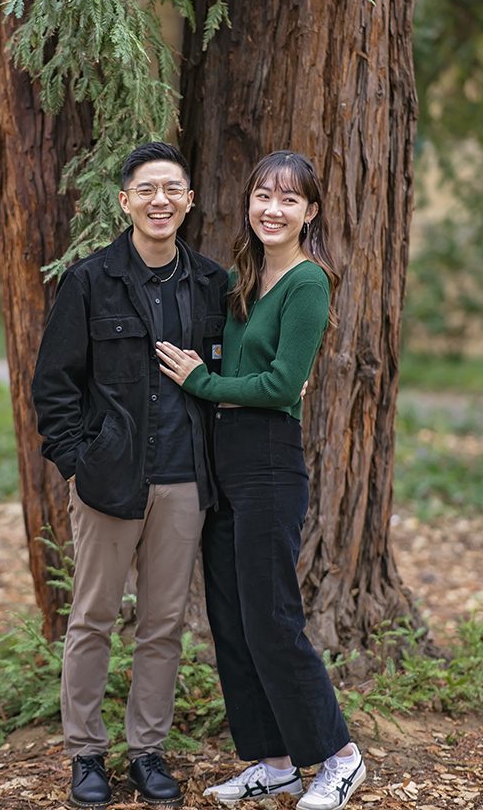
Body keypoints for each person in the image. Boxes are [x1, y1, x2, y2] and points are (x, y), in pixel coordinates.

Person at [156, 151, 367, 810]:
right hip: (221, 459)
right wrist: (215, 383)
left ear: (309, 212)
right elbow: (237, 358)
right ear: (247, 202)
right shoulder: (242, 275)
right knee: (232, 620)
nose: (271, 210)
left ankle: (339, 757)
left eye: (287, 200)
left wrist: (204, 382)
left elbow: (280, 386)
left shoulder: (308, 282)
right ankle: (273, 763)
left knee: (272, 620)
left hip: (269, 463)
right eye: (262, 196)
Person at [32, 141, 228, 808]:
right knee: (90, 619)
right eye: (146, 189)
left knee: (162, 624)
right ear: (125, 201)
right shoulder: (90, 281)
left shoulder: (210, 284)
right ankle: (86, 755)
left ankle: (147, 752)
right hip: (109, 483)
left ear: (189, 201)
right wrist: (77, 461)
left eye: (172, 188)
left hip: (183, 483)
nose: (160, 200)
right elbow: (53, 386)